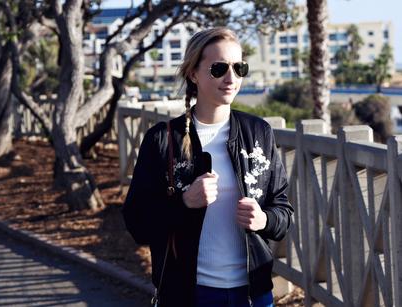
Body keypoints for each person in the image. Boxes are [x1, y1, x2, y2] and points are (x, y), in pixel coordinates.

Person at [123, 27, 293, 307]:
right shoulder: (163, 139)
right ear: (193, 74)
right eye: (219, 68)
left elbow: (283, 211)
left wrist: (264, 219)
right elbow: (137, 222)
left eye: (239, 68)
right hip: (188, 294)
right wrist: (184, 202)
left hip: (253, 294)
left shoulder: (259, 133)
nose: (231, 78)